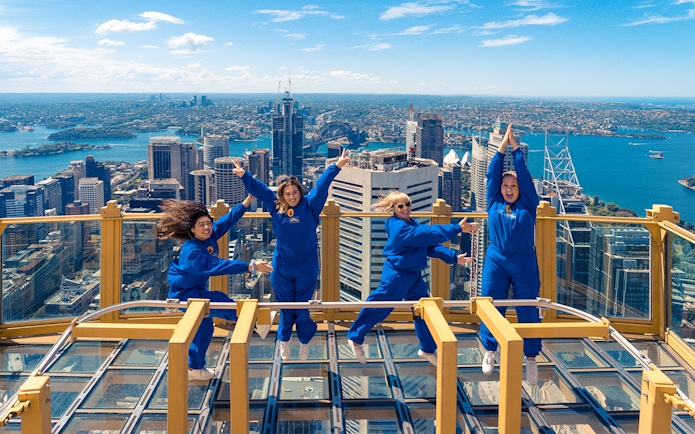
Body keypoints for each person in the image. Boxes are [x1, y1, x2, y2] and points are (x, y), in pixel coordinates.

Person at [232, 150, 350, 361]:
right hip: (282, 266)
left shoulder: (310, 205)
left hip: (307, 265)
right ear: (282, 195)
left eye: (295, 192)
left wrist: (337, 165)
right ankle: (284, 342)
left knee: (302, 309)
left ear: (300, 192)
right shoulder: (275, 206)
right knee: (286, 307)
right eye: (287, 194)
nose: (292, 196)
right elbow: (261, 189)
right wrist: (244, 175)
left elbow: (321, 186)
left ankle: (304, 343)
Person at [347, 191, 477, 366]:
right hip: (397, 274)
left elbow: (428, 246)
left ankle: (427, 349)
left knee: (424, 310)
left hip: (413, 275)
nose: (405, 208)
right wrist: (456, 228)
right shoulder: (398, 227)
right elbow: (426, 235)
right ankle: (355, 338)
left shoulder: (409, 223)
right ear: (393, 209)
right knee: (380, 306)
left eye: (407, 204)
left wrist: (453, 257)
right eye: (400, 206)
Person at [155, 195, 272, 381]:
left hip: (194, 290)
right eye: (201, 224)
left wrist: (246, 202)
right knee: (218, 300)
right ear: (192, 230)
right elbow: (217, 266)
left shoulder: (207, 236)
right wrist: (250, 266)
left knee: (204, 327)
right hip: (184, 294)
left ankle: (194, 368)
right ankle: (255, 321)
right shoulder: (192, 251)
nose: (207, 227)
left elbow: (227, 221)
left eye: (208, 223)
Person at [479, 124, 541, 385]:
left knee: (527, 306)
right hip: (496, 258)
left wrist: (515, 148)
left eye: (513, 185)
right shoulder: (494, 202)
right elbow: (492, 176)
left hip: (524, 261)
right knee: (491, 303)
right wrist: (500, 148)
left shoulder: (528, 204)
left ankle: (531, 357)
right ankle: (490, 350)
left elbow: (525, 178)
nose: (508, 188)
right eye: (505, 185)